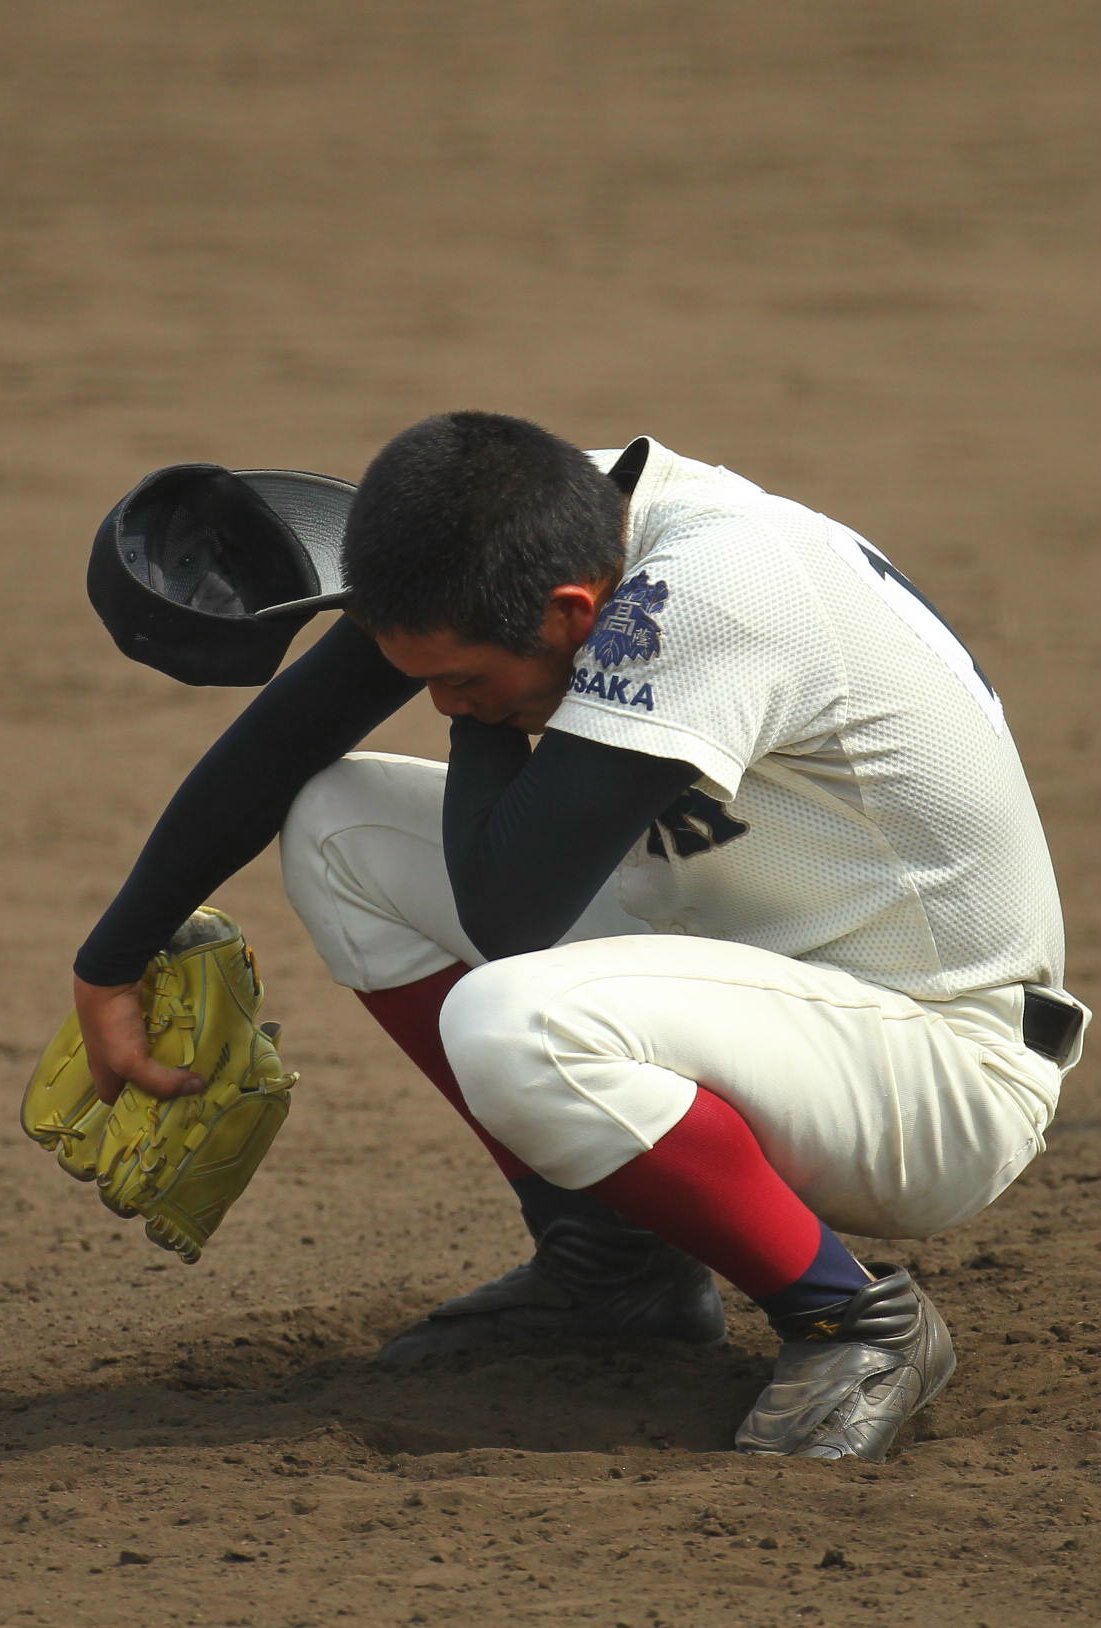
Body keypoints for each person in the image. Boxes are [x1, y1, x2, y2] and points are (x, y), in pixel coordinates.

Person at [73, 411, 1089, 1461]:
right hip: (766, 969)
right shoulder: (547, 525)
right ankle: (613, 1270)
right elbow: (296, 732)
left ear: (570, 610)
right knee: (340, 826)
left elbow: (509, 912)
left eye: (460, 682)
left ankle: (853, 1318)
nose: (439, 700)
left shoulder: (706, 596)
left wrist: (482, 720)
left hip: (936, 1064)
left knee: (510, 1021)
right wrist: (111, 960)